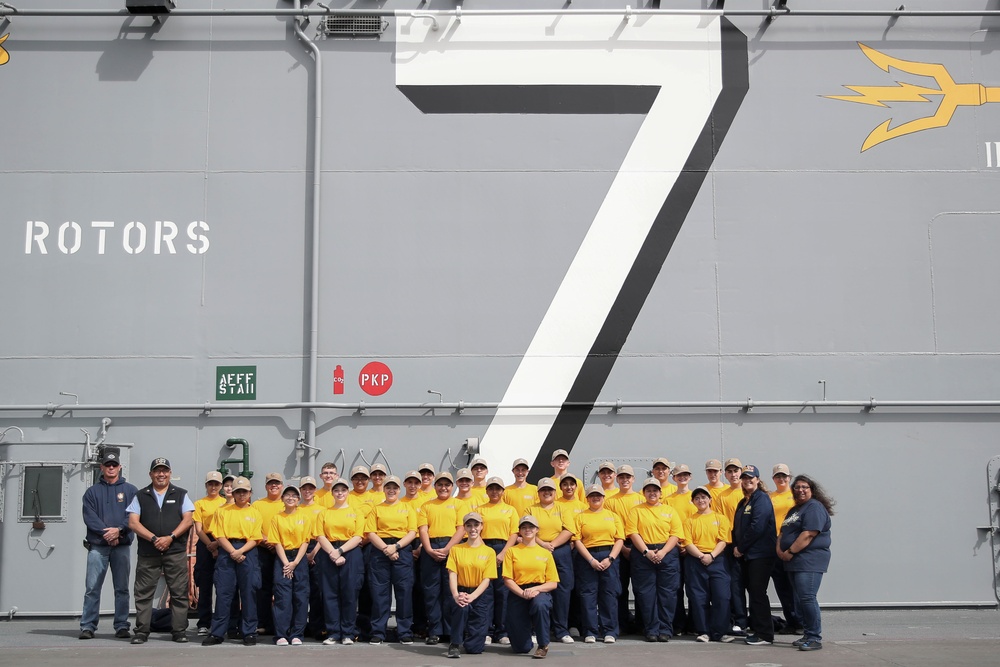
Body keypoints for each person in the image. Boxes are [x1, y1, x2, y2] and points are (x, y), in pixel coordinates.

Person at [126, 457, 195, 644]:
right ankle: (141, 631)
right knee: (143, 593)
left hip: (175, 552)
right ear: (151, 474)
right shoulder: (141, 495)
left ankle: (179, 631)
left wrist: (170, 537)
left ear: (170, 473)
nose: (161, 474)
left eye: (164, 470)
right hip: (149, 553)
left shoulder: (181, 494)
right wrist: (154, 539)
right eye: (157, 471)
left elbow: (188, 520)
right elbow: (133, 522)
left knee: (179, 592)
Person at [80, 450, 138, 640]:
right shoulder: (91, 492)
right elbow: (90, 518)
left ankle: (121, 625)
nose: (111, 468)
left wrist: (119, 531)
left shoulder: (131, 491)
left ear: (120, 467)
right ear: (102, 468)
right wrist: (108, 533)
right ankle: (88, 626)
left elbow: (133, 516)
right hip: (98, 547)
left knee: (121, 588)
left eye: (114, 465)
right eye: (108, 465)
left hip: (121, 547)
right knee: (92, 588)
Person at [201, 476, 263, 646]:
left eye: (245, 492)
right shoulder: (222, 511)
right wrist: (233, 552)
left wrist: (240, 551)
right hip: (227, 550)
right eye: (238, 492)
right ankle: (218, 632)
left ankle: (249, 632)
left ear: (250, 493)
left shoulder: (255, 513)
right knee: (224, 593)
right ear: (233, 494)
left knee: (249, 593)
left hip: (247, 551)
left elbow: (256, 537)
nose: (242, 495)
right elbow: (219, 535)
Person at [777, 474, 834, 652]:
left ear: (812, 490)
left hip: (808, 561)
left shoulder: (814, 508)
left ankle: (815, 637)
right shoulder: (795, 510)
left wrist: (791, 551)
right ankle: (807, 634)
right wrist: (780, 550)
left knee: (808, 598)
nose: (800, 490)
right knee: (801, 600)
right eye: (797, 487)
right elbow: (782, 532)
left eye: (804, 487)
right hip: (793, 561)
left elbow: (808, 534)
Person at [626, 477, 686, 643]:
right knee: (646, 594)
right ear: (644, 493)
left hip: (667, 553)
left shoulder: (670, 510)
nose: (652, 493)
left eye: (655, 490)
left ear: (660, 493)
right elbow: (633, 533)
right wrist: (646, 552)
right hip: (643, 553)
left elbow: (675, 534)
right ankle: (651, 629)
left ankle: (666, 629)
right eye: (649, 490)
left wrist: (663, 552)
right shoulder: (636, 510)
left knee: (668, 593)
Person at [366, 475, 419, 645]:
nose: (391, 490)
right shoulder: (377, 509)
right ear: (384, 489)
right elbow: (371, 532)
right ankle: (378, 631)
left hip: (401, 549)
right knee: (380, 593)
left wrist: (395, 547)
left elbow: (412, 532)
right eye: (388, 487)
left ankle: (404, 631)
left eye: (394, 488)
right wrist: (386, 549)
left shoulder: (407, 508)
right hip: (380, 550)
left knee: (404, 592)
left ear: (399, 489)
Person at [315, 477, 365, 645]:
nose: (340, 493)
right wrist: (333, 552)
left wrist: (341, 551)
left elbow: (358, 536)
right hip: (329, 552)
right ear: (332, 493)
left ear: (348, 492)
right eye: (336, 490)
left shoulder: (356, 512)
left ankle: (348, 633)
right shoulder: (324, 512)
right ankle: (333, 632)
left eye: (343, 490)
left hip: (350, 552)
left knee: (349, 593)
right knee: (330, 594)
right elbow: (320, 535)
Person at [418, 471, 465, 645]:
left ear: (452, 487)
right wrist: (429, 550)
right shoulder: (426, 505)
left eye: (447, 485)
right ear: (435, 486)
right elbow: (423, 529)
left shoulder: (458, 504)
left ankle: (450, 630)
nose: (443, 488)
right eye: (440, 484)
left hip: (451, 547)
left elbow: (461, 529)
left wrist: (447, 549)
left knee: (450, 590)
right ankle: (435, 630)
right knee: (431, 592)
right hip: (430, 547)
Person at [502, 515, 559, 658]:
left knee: (540, 606)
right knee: (521, 648)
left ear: (537, 530)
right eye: (524, 527)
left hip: (540, 590)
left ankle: (542, 644)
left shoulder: (545, 553)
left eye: (531, 527)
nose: (527, 530)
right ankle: (524, 640)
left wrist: (536, 589)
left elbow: (553, 583)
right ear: (519, 531)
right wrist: (522, 593)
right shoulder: (512, 551)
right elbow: (507, 579)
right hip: (518, 591)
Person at [573, 484, 624, 644]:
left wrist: (610, 559)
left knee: (609, 594)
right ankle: (590, 631)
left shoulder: (613, 516)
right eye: (592, 495)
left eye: (599, 495)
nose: (596, 498)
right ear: (587, 498)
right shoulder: (580, 517)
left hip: (609, 556)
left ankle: (609, 631)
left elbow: (619, 539)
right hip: (588, 557)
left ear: (603, 498)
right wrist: (591, 560)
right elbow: (577, 540)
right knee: (588, 595)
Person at [527, 477, 575, 644]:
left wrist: (552, 545)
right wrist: (543, 545)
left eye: (550, 490)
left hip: (560, 551)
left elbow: (569, 530)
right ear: (538, 493)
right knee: (538, 589)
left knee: (562, 590)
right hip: (537, 550)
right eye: (543, 490)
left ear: (555, 492)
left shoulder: (563, 508)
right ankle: (536, 629)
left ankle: (561, 630)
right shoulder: (531, 509)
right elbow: (527, 530)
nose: (546, 493)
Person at [732, 465, 776, 646]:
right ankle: (758, 629)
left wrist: (740, 548)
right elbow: (737, 528)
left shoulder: (762, 499)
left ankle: (765, 634)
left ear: (758, 479)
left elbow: (757, 527)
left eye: (751, 477)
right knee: (754, 593)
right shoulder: (744, 502)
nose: (747, 480)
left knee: (758, 593)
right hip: (748, 556)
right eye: (744, 477)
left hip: (761, 555)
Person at [445, 512, 498, 658]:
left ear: (481, 526)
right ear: (464, 528)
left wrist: (472, 596)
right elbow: (452, 574)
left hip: (480, 594)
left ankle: (472, 639)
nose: (473, 528)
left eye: (476, 525)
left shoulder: (489, 552)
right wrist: (456, 595)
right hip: (461, 591)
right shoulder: (456, 549)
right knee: (461, 608)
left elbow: (487, 579)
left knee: (475, 649)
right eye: (469, 525)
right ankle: (455, 643)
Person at [683, 486, 731, 642]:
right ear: (693, 502)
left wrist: (711, 555)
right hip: (695, 561)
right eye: (697, 498)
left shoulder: (721, 518)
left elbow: (723, 540)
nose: (700, 500)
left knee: (722, 596)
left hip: (717, 560)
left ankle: (720, 632)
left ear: (710, 499)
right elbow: (688, 542)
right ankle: (703, 631)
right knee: (698, 597)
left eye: (704, 497)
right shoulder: (689, 520)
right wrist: (701, 555)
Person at [477, 475, 518, 645]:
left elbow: (514, 534)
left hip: (504, 550)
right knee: (486, 593)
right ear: (486, 491)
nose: (494, 492)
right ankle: (486, 630)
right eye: (491, 488)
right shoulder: (480, 509)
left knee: (502, 592)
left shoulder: (510, 510)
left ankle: (502, 631)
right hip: (484, 549)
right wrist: (487, 553)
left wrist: (502, 553)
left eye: (498, 489)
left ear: (503, 491)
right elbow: (475, 532)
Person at [269, 484, 312, 646]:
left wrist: (294, 563)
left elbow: (305, 541)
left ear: (298, 499)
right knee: (282, 597)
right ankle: (281, 634)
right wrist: (286, 563)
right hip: (283, 558)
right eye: (287, 495)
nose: (291, 498)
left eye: (294, 495)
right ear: (282, 499)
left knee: (301, 596)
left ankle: (297, 634)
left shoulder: (305, 517)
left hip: (299, 559)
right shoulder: (277, 518)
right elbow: (277, 542)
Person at [606, 464, 643, 635]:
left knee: (641, 588)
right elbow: (610, 527)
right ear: (617, 479)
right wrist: (621, 549)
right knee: (619, 589)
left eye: (628, 477)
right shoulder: (610, 501)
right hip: (619, 546)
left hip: (640, 546)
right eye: (621, 477)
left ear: (633, 479)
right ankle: (621, 623)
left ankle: (641, 623)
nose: (625, 480)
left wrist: (638, 547)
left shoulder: (641, 498)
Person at [713, 457, 748, 636]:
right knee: (734, 583)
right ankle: (739, 620)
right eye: (730, 471)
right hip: (730, 541)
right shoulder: (721, 496)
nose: (733, 474)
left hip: (749, 540)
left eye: (736, 471)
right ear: (725, 474)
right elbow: (719, 520)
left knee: (753, 584)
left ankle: (753, 619)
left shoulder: (748, 493)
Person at [192, 471, 227, 637]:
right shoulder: (200, 504)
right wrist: (211, 547)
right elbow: (198, 529)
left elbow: (227, 527)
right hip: (205, 543)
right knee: (204, 585)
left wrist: (218, 544)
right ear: (206, 485)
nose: (213, 487)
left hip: (222, 541)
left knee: (223, 585)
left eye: (216, 484)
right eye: (210, 484)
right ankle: (204, 622)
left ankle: (221, 621)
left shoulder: (226, 502)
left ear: (220, 486)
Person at [769, 464, 803, 634]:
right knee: (782, 587)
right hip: (775, 545)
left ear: (790, 477)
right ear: (773, 479)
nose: (781, 479)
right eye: (778, 476)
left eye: (784, 476)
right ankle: (791, 621)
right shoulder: (769, 497)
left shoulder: (797, 496)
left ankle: (801, 622)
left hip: (792, 545)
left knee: (796, 587)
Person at [252, 472, 286, 636]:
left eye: (277, 483)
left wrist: (277, 542)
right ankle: (263, 622)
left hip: (283, 551)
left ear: (282, 486)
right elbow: (254, 526)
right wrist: (267, 540)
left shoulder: (288, 503)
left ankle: (280, 623)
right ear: (266, 486)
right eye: (271, 483)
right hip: (263, 550)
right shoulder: (257, 505)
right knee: (262, 588)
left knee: (281, 588)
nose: (274, 486)